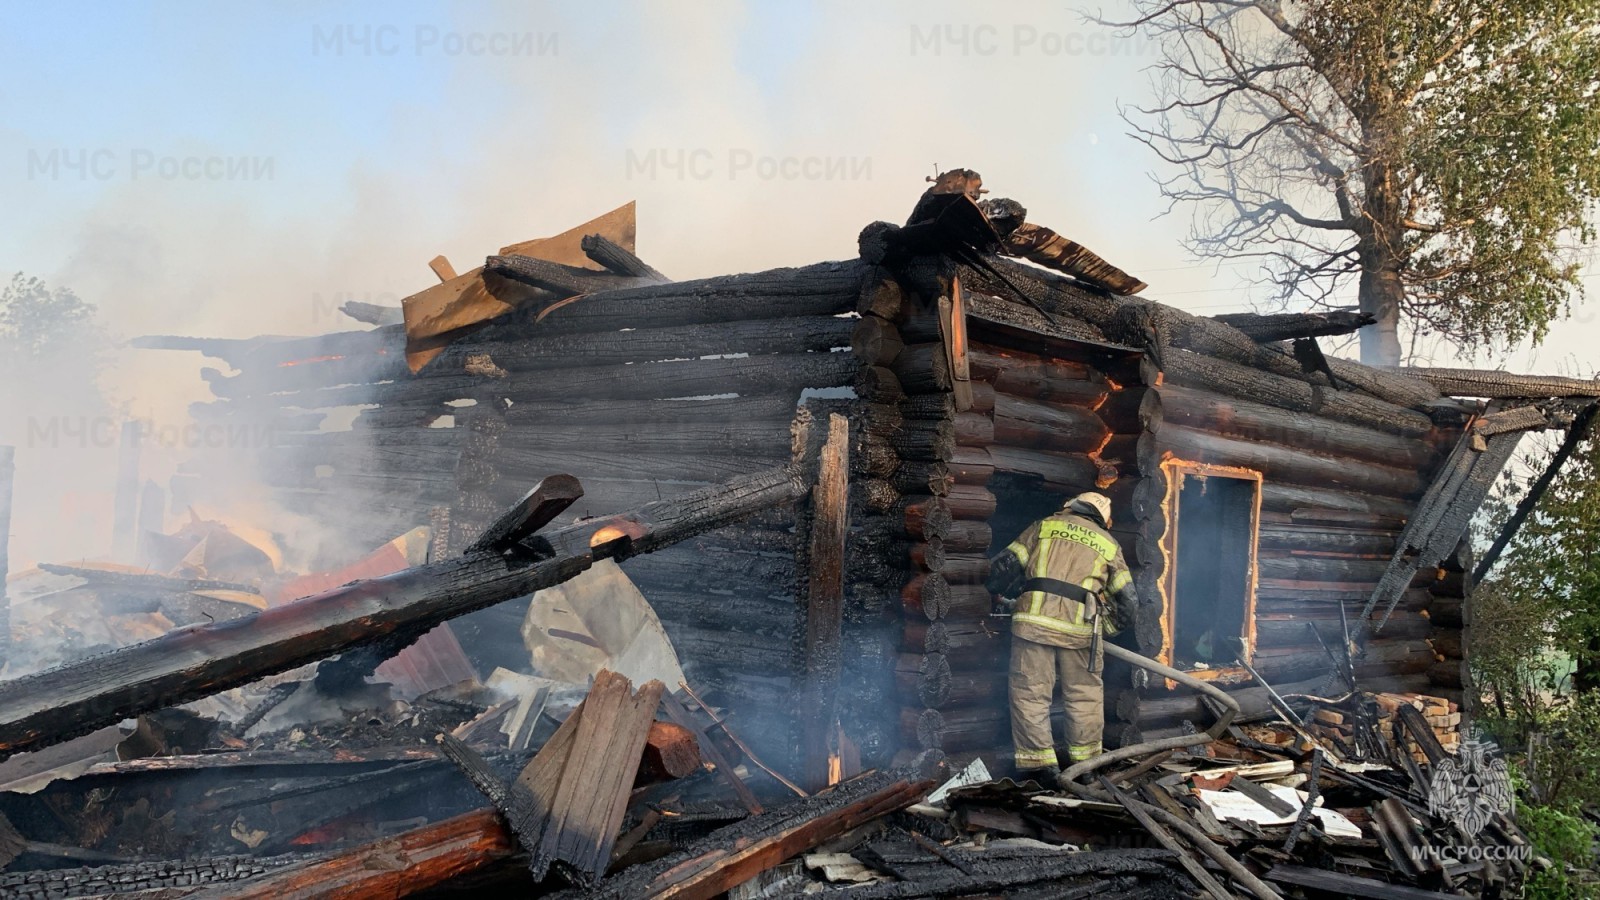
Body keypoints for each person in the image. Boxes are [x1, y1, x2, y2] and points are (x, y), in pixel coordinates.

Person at [985, 491, 1138, 781]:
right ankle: (1085, 770)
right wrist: (1104, 630)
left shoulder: (1043, 527)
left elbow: (1000, 570)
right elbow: (1129, 605)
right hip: (1081, 633)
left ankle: (1041, 767)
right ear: (1104, 519)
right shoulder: (1108, 543)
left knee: (1030, 695)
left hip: (1034, 625)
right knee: (1084, 697)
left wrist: (995, 592)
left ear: (1070, 506)